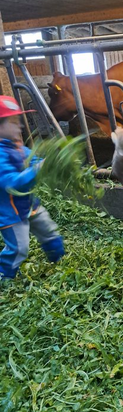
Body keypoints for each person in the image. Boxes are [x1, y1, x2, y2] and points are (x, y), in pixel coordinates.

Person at [0, 96, 65, 281]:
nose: (19, 126)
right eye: (13, 122)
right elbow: (12, 184)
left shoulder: (19, 148)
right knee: (19, 248)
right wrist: (37, 170)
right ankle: (5, 276)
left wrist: (52, 162)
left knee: (49, 230)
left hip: (30, 205)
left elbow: (34, 160)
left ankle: (59, 260)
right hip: (10, 214)